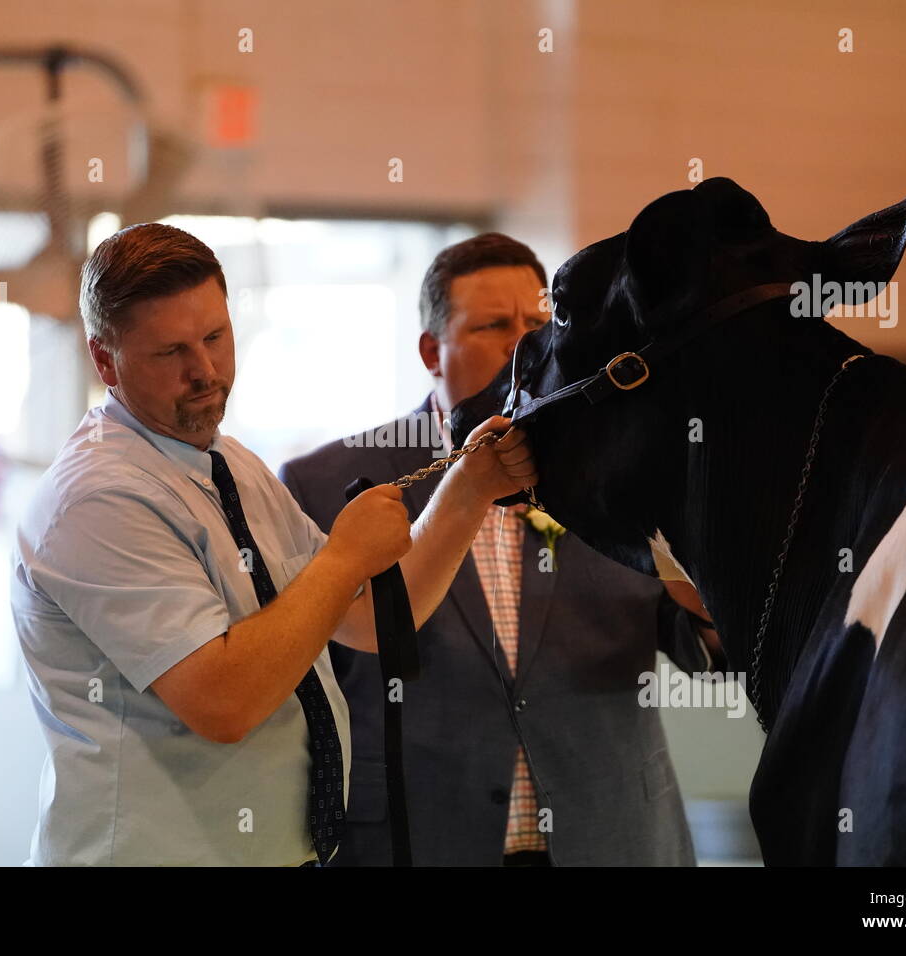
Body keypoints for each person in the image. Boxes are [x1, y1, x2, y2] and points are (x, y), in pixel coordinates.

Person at [9, 223, 536, 865]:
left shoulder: (229, 463)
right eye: (170, 352)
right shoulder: (97, 499)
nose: (203, 370)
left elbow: (370, 619)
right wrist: (343, 559)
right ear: (104, 360)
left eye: (214, 337)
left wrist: (470, 488)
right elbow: (225, 702)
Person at [280, 233, 718, 866]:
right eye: (494, 326)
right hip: (420, 836)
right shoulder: (325, 483)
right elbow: (309, 680)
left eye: (539, 323)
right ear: (432, 350)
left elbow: (695, 637)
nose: (524, 344)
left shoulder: (618, 466)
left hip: (611, 832)